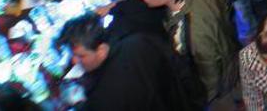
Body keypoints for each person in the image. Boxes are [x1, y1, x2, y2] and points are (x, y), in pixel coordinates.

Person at [137, 0, 240, 107]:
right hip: (229, 41)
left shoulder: (192, 34)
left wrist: (206, 100)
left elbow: (210, 76)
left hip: (223, 79)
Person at [56, 12, 196, 111]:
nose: (75, 61)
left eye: (81, 56)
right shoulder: (139, 40)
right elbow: (180, 66)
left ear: (101, 49)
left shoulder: (102, 100)